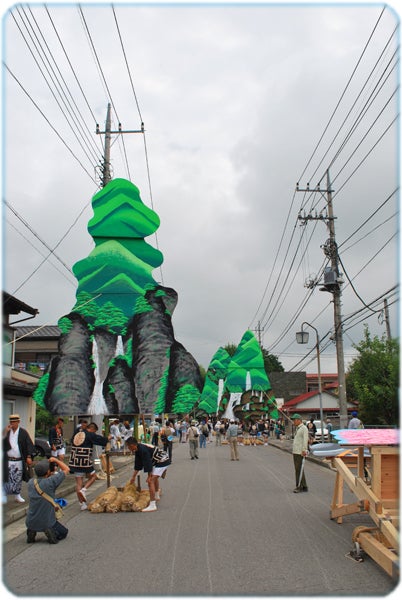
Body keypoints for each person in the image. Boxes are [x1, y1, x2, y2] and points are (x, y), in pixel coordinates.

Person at [26, 457, 70, 544]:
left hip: (30, 521)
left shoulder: (31, 482)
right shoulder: (51, 481)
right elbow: (66, 469)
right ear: (48, 472)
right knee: (64, 532)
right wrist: (56, 460)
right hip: (47, 520)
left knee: (34, 520)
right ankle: (50, 530)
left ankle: (31, 530)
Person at [68, 422, 111, 511]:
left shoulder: (77, 432)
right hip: (84, 461)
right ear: (92, 429)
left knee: (78, 483)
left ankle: (82, 504)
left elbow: (72, 440)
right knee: (94, 477)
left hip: (74, 460)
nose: (94, 433)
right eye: (94, 431)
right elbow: (100, 440)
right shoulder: (90, 435)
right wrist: (107, 438)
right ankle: (84, 490)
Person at [126, 437, 170, 512]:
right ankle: (156, 495)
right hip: (157, 460)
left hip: (162, 460)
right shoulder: (137, 449)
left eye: (129, 446)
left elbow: (148, 464)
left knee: (151, 481)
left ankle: (152, 505)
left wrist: (149, 476)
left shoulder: (143, 450)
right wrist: (133, 477)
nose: (128, 448)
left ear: (132, 445)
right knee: (153, 479)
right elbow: (138, 465)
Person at [2, 414, 35, 504]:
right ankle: (4, 495)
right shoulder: (7, 431)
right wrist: (4, 432)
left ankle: (17, 495)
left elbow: (29, 444)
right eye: (11, 422)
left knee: (17, 477)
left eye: (14, 422)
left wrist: (28, 456)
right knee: (6, 477)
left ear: (18, 422)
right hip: (8, 459)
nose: (12, 423)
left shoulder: (23, 432)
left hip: (19, 459)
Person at [291, 413, 308, 493]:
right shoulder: (298, 428)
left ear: (298, 420)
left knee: (298, 470)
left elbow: (305, 440)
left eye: (294, 420)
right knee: (299, 469)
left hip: (300, 452)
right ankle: (304, 486)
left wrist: (304, 450)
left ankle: (299, 486)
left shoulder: (304, 428)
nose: (293, 422)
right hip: (296, 451)